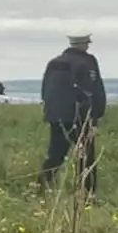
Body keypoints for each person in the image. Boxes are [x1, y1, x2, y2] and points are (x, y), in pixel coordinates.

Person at [38, 31, 107, 199]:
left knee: (55, 154)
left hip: (56, 115)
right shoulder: (88, 62)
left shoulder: (54, 63)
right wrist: (96, 117)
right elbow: (95, 89)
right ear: (84, 44)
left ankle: (41, 186)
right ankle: (87, 192)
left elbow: (45, 89)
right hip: (80, 116)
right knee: (86, 156)